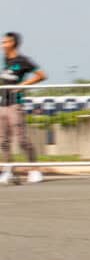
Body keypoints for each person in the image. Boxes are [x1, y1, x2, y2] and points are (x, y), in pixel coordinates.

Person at [0, 32, 46, 185]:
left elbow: (41, 75)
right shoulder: (5, 60)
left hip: (15, 104)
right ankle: (8, 170)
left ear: (13, 43)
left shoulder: (23, 60)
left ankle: (34, 170)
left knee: (21, 139)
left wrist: (22, 86)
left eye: (5, 42)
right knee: (3, 140)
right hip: (3, 104)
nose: (2, 45)